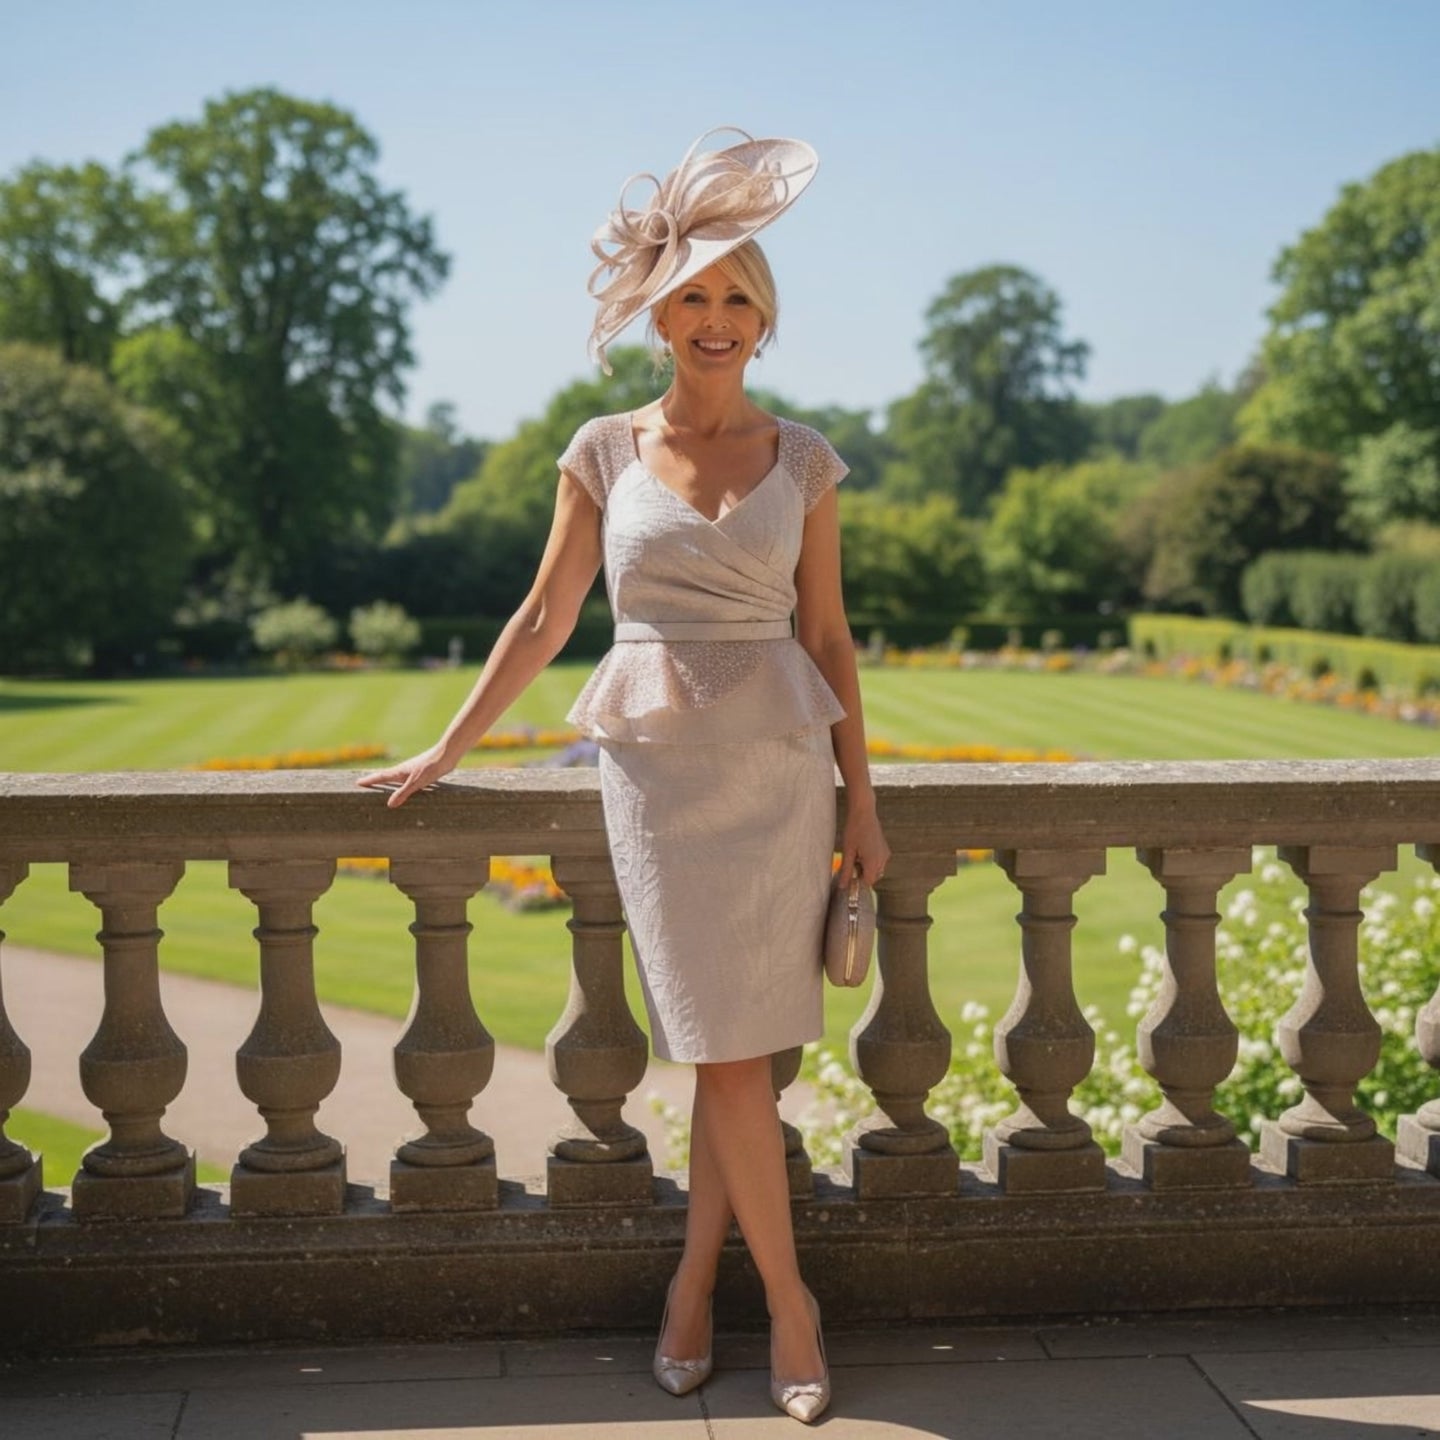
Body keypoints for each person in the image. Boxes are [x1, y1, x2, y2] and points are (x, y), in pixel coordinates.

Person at [357, 127, 889, 1425]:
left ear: (765, 320)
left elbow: (827, 638)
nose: (715, 318)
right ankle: (791, 1308)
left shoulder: (807, 461)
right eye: (694, 295)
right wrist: (452, 744)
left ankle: (696, 1291)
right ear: (661, 312)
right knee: (720, 1049)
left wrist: (863, 802)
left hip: (779, 782)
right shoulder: (600, 448)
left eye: (737, 298)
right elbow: (543, 619)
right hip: (656, 788)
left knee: (734, 1060)